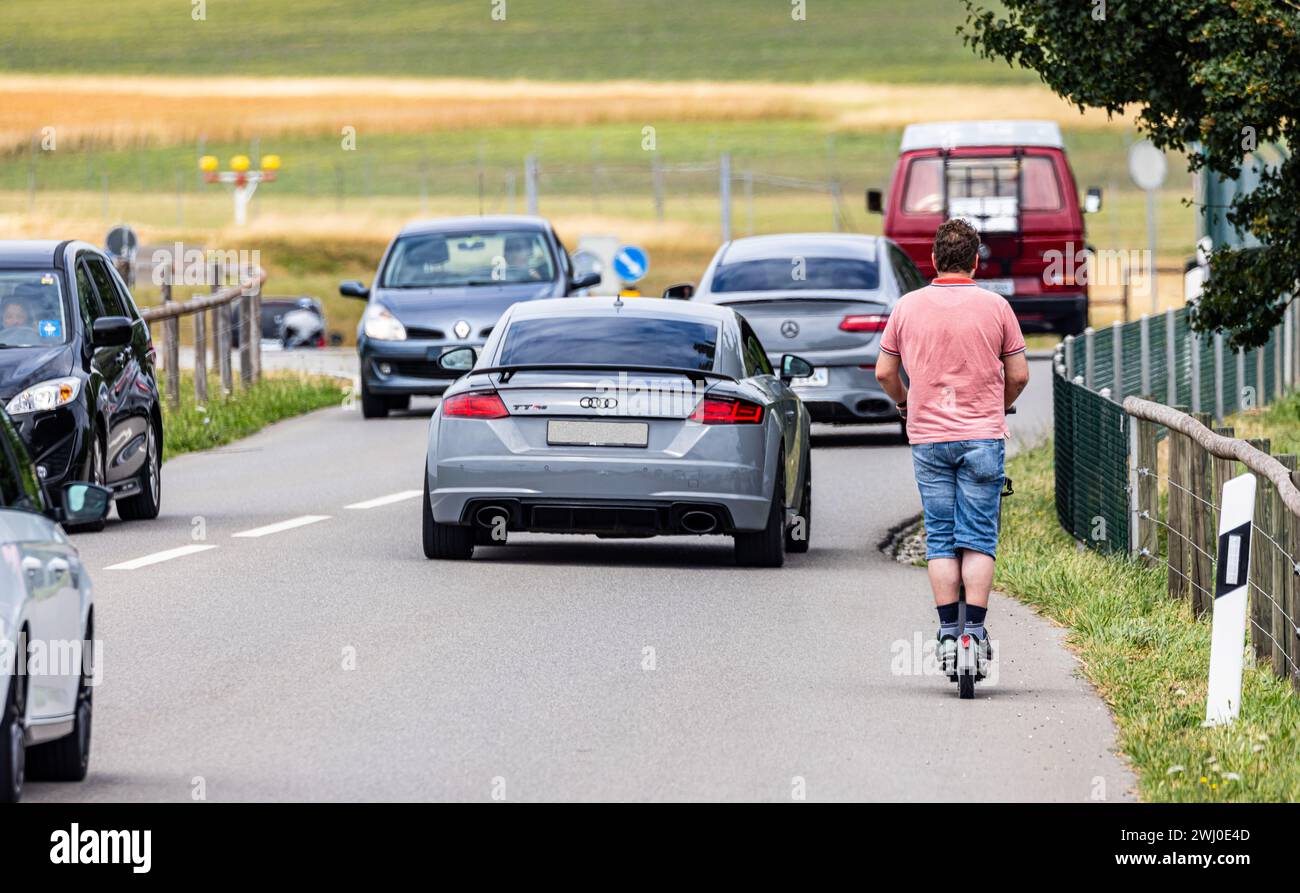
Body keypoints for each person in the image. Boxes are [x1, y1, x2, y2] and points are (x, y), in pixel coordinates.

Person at [874, 218, 1030, 671]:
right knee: (979, 538)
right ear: (976, 262)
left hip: (929, 438)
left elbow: (884, 372)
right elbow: (1019, 374)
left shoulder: (907, 307)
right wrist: (995, 407)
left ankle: (946, 636)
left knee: (940, 538)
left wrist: (907, 405)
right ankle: (975, 636)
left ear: (934, 261)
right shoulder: (997, 307)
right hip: (982, 437)